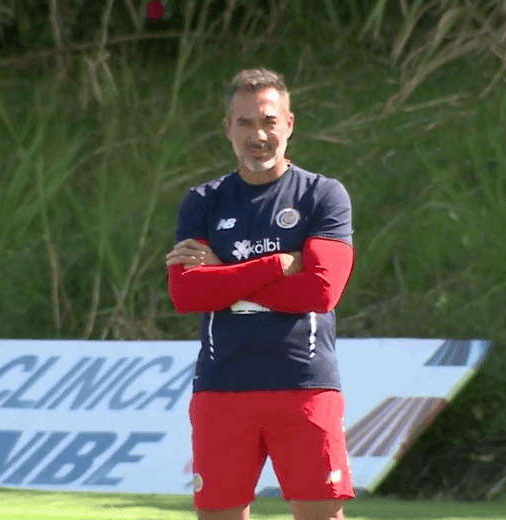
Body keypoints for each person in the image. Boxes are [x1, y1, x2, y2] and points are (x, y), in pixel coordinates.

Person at [165, 68, 355, 520]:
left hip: (304, 384)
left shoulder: (322, 195)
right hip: (222, 386)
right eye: (245, 123)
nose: (258, 135)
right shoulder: (202, 201)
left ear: (289, 124)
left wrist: (224, 277)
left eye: (269, 121)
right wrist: (275, 266)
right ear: (227, 128)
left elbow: (321, 290)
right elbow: (188, 293)